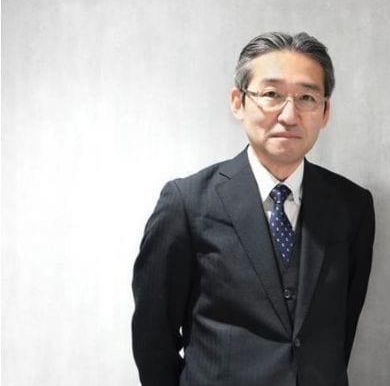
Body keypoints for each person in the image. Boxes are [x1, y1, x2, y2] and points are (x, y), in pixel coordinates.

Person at [132, 31, 375, 386]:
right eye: (272, 94)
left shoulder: (352, 205)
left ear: (325, 111)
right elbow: (153, 338)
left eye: (307, 97)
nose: (289, 115)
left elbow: (344, 326)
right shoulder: (187, 202)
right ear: (238, 101)